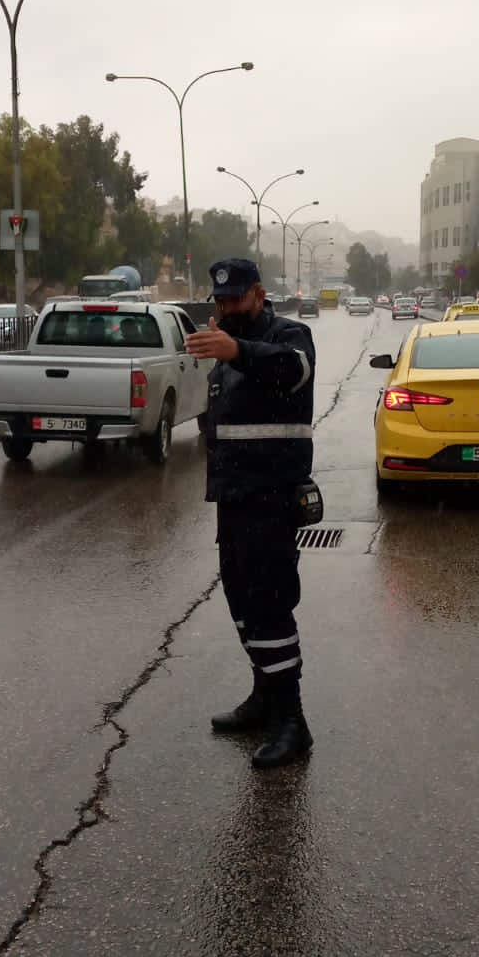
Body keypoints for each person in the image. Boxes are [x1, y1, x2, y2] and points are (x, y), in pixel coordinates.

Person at [185, 258, 316, 769]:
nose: (226, 309)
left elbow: (292, 371)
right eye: (219, 302)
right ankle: (265, 698)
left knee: (269, 607)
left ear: (259, 294)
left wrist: (235, 350)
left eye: (235, 299)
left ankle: (292, 721)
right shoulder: (228, 354)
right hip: (235, 500)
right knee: (242, 604)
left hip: (272, 497)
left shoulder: (290, 336)